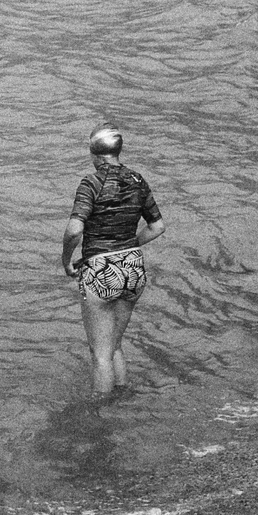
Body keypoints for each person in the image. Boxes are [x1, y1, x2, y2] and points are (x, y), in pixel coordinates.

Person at [60, 126, 166, 395]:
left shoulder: (91, 183)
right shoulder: (138, 180)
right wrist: (127, 245)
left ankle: (100, 414)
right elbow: (157, 227)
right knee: (115, 345)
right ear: (118, 151)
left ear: (93, 154)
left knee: (100, 356)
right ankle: (121, 399)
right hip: (133, 268)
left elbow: (74, 230)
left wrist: (66, 260)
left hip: (100, 271)